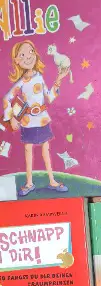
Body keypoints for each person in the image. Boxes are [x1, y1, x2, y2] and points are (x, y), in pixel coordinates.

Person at [2, 41, 70, 196]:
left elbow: (49, 97)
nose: (28, 56)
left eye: (31, 51)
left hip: (42, 119)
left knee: (46, 150)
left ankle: (52, 181)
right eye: (22, 54)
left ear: (35, 54)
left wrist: (59, 79)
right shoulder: (21, 82)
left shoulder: (39, 77)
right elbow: (6, 98)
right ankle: (29, 183)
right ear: (17, 60)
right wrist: (11, 117)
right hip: (27, 121)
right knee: (28, 150)